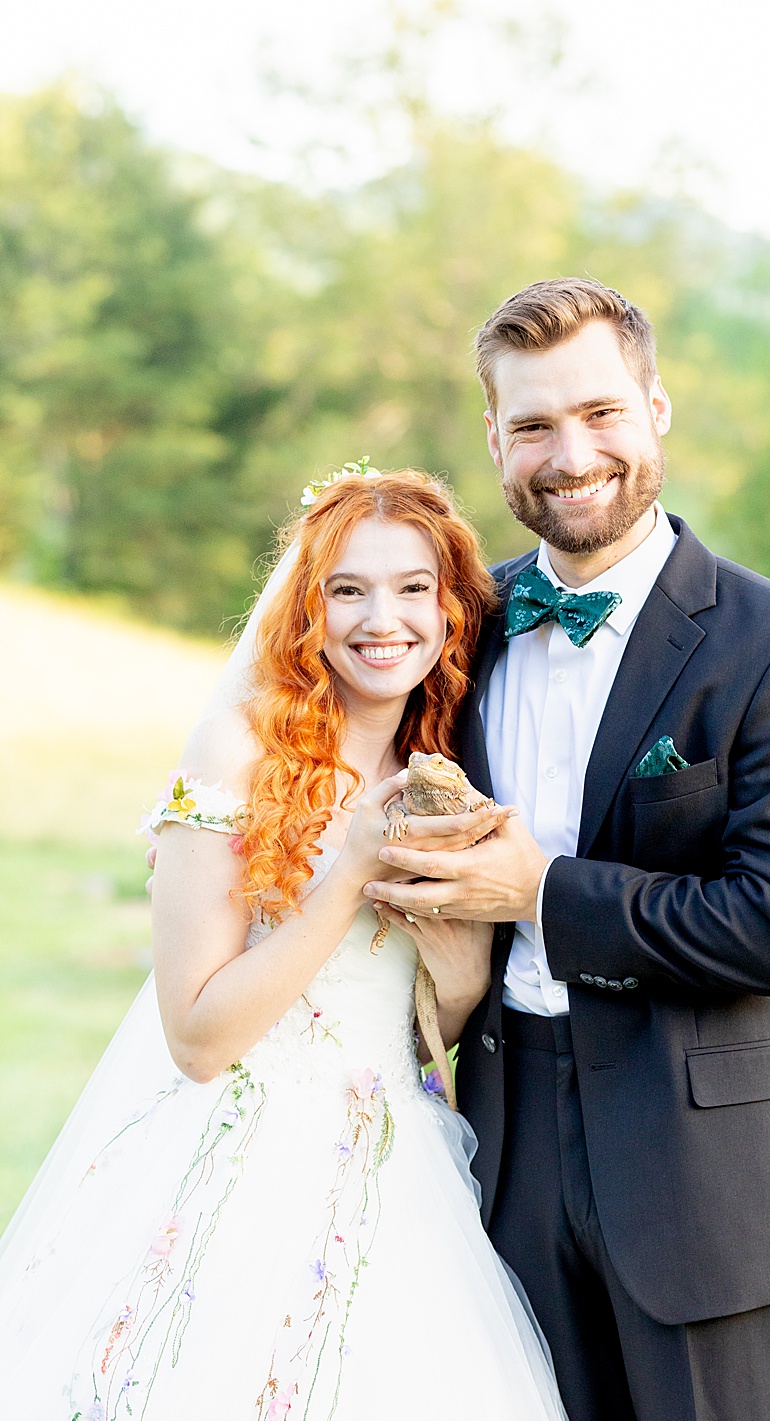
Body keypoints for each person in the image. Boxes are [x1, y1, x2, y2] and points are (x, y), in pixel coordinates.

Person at [359, 278, 770, 1421]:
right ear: (493, 440)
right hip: (499, 1134)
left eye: (600, 413)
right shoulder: (451, 629)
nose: (570, 452)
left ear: (656, 408)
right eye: (532, 424)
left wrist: (542, 890)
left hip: (707, 1163)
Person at [0, 468, 571, 1419]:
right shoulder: (233, 754)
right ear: (309, 608)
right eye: (348, 589)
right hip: (240, 1164)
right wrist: (348, 870)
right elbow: (196, 1036)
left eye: (411, 588)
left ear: (449, 608)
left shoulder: (440, 768)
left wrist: (463, 959)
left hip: (398, 1181)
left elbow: (436, 1022)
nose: (380, 618)